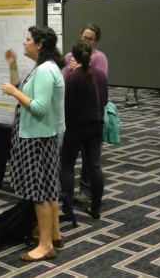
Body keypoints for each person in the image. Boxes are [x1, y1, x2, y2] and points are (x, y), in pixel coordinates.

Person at [0, 26, 65, 262]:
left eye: (28, 40)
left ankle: (45, 245)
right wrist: (13, 65)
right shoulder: (43, 68)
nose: (24, 43)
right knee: (48, 189)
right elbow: (24, 90)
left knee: (39, 193)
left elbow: (38, 107)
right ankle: (54, 234)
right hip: (39, 136)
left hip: (36, 139)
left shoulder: (45, 71)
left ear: (39, 45)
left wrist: (13, 93)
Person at [60, 40, 108, 226]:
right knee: (94, 166)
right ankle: (95, 208)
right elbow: (104, 100)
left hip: (75, 127)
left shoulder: (73, 77)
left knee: (67, 167)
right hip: (96, 125)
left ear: (74, 57)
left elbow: (67, 105)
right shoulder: (101, 74)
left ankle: (67, 209)